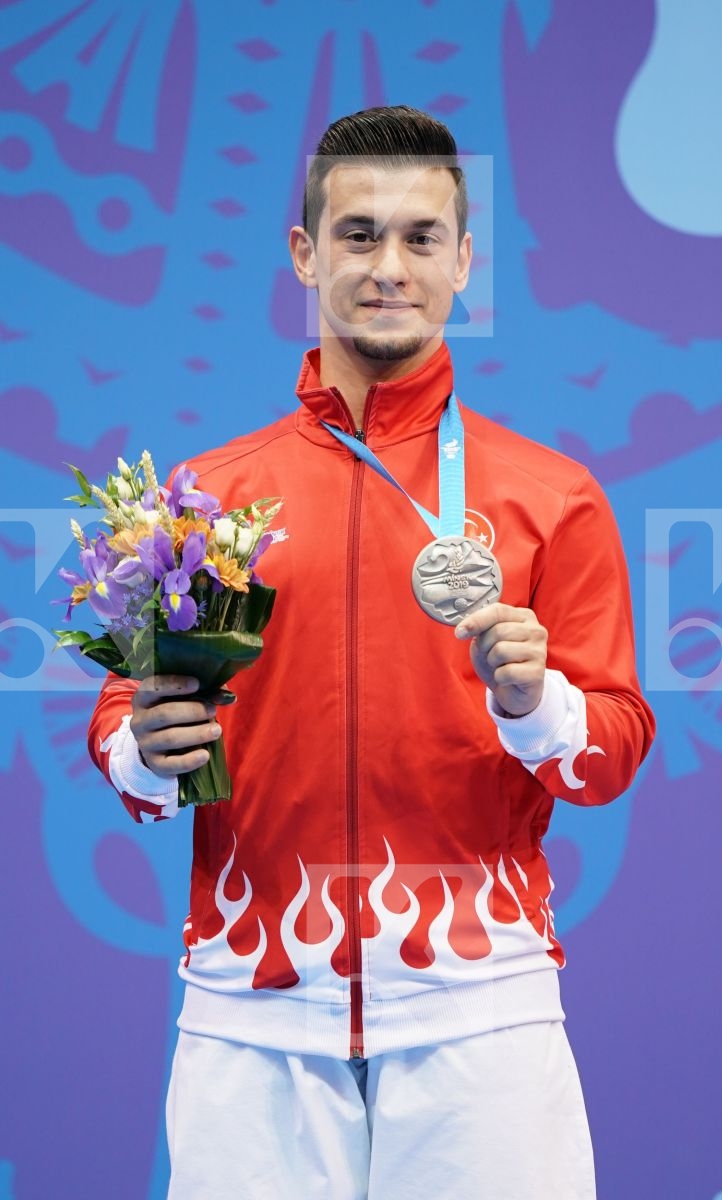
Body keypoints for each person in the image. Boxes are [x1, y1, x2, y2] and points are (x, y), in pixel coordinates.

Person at [88, 105, 655, 1199]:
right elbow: (123, 720)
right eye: (355, 235)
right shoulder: (208, 502)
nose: (387, 265)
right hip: (249, 1015)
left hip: (479, 1017)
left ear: (462, 261)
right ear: (304, 254)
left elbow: (608, 753)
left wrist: (537, 702)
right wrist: (143, 751)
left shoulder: (550, 496)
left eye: (418, 237)